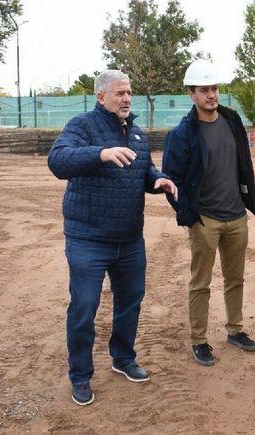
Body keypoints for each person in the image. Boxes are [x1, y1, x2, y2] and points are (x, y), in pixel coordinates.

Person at [48, 70, 178, 406]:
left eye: (129, 92)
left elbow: (144, 170)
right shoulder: (82, 126)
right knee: (84, 307)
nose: (126, 99)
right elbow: (58, 160)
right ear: (101, 96)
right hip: (88, 239)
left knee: (130, 302)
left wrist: (158, 180)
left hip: (129, 240)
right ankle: (80, 375)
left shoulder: (136, 132)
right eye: (119, 93)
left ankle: (122, 358)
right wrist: (100, 153)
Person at [162, 59, 255, 367]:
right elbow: (171, 180)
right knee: (200, 283)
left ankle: (235, 330)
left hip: (236, 217)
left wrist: (247, 202)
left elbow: (244, 163)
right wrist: (187, 214)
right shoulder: (182, 134)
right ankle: (199, 340)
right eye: (204, 90)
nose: (211, 95)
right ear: (192, 94)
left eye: (215, 88)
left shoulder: (232, 120)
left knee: (235, 278)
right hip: (205, 220)